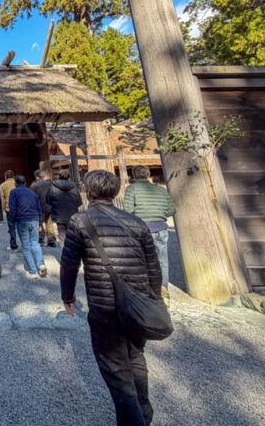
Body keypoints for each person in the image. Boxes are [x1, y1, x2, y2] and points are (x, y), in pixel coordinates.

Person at [61, 170, 162, 426]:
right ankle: (144, 411)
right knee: (135, 356)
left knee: (115, 369)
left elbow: (69, 263)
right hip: (138, 302)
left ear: (89, 192)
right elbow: (154, 266)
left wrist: (67, 295)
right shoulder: (136, 223)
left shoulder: (79, 221)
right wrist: (154, 298)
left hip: (104, 305)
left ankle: (134, 420)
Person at [123, 165, 176, 306]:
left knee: (143, 261)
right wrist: (159, 214)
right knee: (162, 261)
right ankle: (163, 291)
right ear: (148, 175)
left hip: (142, 229)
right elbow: (172, 209)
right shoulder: (161, 190)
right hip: (161, 228)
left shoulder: (131, 189)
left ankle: (146, 292)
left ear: (134, 175)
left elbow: (128, 211)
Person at [8, 175, 47, 278]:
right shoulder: (32, 193)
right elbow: (39, 209)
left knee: (26, 247)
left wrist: (15, 218)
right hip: (34, 219)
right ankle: (41, 264)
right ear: (25, 183)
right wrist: (40, 223)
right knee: (35, 243)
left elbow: (12, 208)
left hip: (22, 220)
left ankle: (33, 271)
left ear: (15, 183)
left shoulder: (14, 192)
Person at [46, 169, 83, 248]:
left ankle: (65, 252)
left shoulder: (53, 186)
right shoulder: (74, 187)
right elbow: (79, 202)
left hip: (59, 215)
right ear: (69, 177)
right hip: (73, 215)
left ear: (59, 176)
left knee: (62, 236)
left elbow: (48, 200)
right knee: (73, 235)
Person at [30, 169, 57, 247]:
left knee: (39, 223)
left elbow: (31, 196)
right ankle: (51, 240)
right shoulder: (49, 184)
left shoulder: (34, 184)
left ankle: (41, 238)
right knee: (49, 223)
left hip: (39, 207)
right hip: (49, 205)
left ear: (37, 176)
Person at [0, 170, 18, 251]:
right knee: (22, 227)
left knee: (12, 227)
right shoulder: (17, 183)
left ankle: (13, 245)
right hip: (19, 208)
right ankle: (26, 244)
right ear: (13, 176)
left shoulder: (2, 185)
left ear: (5, 177)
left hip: (9, 208)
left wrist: (4, 208)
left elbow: (2, 199)